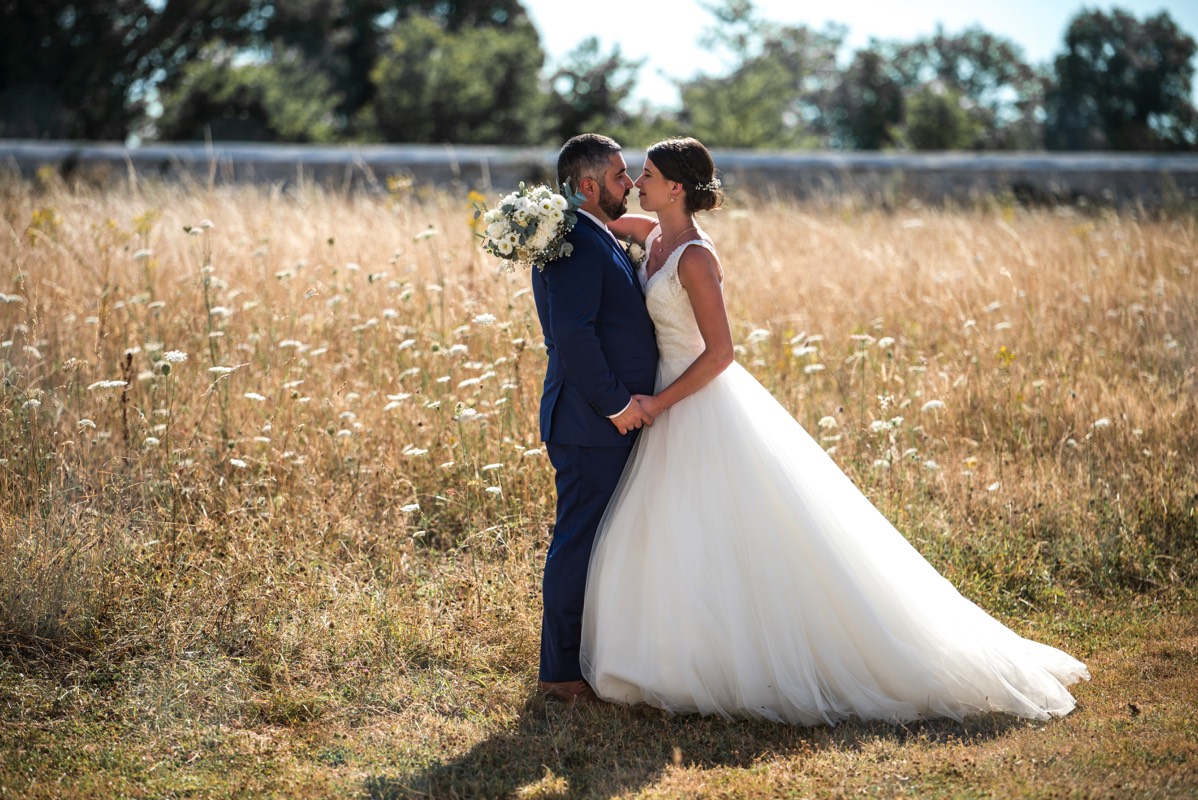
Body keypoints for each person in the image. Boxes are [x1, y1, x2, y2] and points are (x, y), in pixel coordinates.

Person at [580, 137, 1090, 724]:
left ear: (675, 188)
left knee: (725, 525)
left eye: (646, 175)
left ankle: (746, 661)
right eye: (635, 175)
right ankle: (676, 651)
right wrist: (546, 220)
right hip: (669, 399)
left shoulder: (694, 256)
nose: (637, 183)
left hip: (694, 396)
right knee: (676, 529)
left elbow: (722, 352)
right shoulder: (654, 234)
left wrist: (659, 401)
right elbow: (603, 221)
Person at [530, 133, 659, 704]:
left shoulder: (590, 234)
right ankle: (559, 675)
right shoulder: (576, 244)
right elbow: (572, 336)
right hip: (592, 423)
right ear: (587, 186)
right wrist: (617, 405)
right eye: (618, 175)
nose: (628, 184)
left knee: (604, 541)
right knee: (578, 543)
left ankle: (594, 656)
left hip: (602, 422)